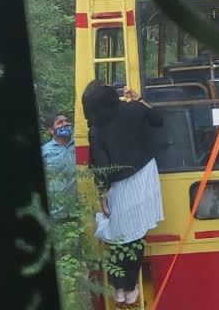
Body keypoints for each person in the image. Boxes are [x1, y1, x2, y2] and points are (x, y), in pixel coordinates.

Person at [84, 81, 164, 305]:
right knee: (137, 234)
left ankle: (120, 287)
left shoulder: (96, 129)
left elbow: (102, 169)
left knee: (119, 237)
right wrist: (138, 99)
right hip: (145, 175)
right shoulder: (134, 110)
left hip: (119, 185)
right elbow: (158, 120)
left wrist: (102, 195)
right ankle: (130, 287)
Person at [40, 112, 76, 219]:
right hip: (56, 213)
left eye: (67, 121)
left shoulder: (80, 145)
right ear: (51, 130)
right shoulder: (44, 151)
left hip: (81, 208)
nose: (65, 124)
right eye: (60, 122)